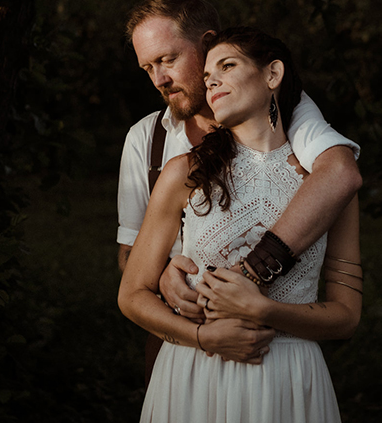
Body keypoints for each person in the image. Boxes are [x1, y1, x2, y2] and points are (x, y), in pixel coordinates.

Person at [118, 27, 363, 422]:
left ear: (273, 74)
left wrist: (265, 310)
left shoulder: (328, 184)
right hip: (195, 373)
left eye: (227, 66)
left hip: (288, 378)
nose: (211, 81)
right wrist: (201, 337)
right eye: (207, 75)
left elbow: (346, 317)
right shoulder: (185, 172)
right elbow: (131, 295)